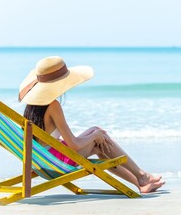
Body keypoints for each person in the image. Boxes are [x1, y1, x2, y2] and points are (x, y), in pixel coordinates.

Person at [18, 56, 164, 193]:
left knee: (97, 133)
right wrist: (95, 136)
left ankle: (141, 182)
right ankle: (141, 176)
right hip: (55, 164)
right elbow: (74, 144)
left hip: (42, 162)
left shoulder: (31, 106)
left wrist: (96, 133)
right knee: (99, 139)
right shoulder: (53, 105)